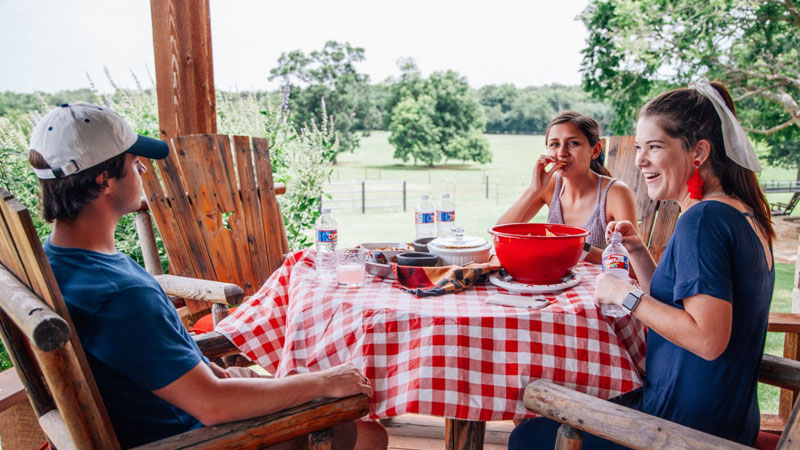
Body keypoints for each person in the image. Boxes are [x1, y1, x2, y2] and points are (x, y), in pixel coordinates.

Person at [29, 103, 388, 449]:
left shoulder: (56, 263)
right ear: (102, 180)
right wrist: (323, 381)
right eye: (135, 162)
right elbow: (214, 405)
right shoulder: (119, 294)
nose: (143, 172)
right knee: (366, 431)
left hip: (170, 405)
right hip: (193, 435)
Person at [509, 80, 774, 448]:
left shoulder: (703, 221)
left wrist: (626, 295)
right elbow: (682, 307)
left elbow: (709, 339)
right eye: (638, 148)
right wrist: (637, 251)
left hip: (683, 429)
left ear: (697, 152)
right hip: (722, 420)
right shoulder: (742, 214)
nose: (639, 160)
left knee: (527, 437)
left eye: (654, 147)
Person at [497, 111, 637, 264]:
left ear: (595, 150)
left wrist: (578, 247)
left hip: (597, 284)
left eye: (573, 143)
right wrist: (533, 190)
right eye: (554, 144)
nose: (562, 153)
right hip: (554, 279)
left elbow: (633, 265)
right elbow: (499, 233)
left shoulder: (615, 193)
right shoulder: (551, 186)